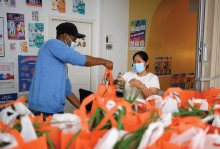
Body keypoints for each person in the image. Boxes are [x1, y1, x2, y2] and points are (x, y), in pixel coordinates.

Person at [28, 22, 113, 116]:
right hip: (43, 110)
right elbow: (79, 59)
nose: (75, 43)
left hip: (55, 110)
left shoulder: (61, 63)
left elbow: (67, 91)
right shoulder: (52, 43)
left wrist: (84, 110)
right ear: (65, 36)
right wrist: (104, 62)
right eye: (74, 39)